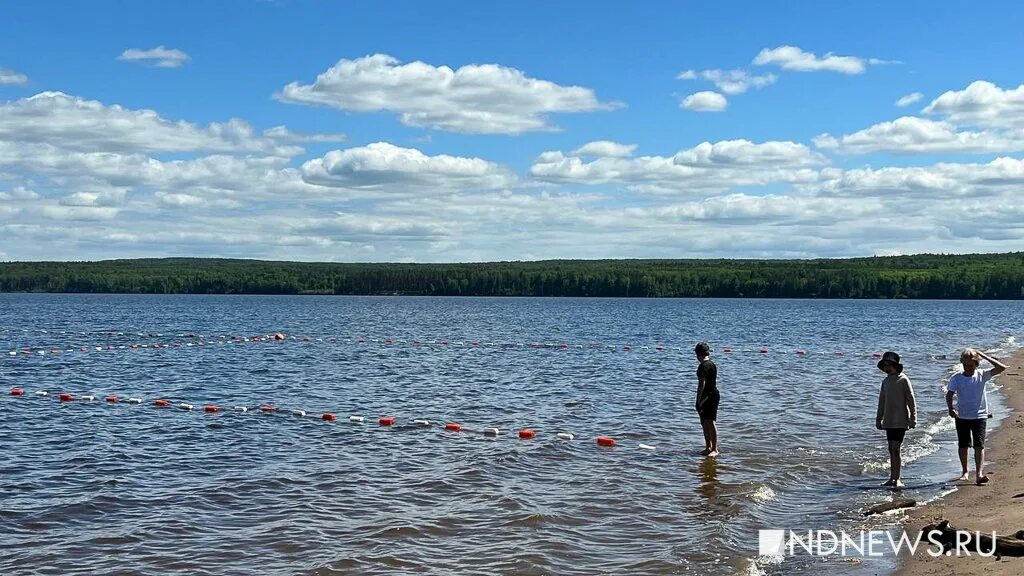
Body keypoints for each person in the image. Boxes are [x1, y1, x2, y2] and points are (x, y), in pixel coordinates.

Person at [946, 348, 1007, 485]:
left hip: (979, 416)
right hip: (962, 416)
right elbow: (949, 394)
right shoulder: (956, 378)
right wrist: (951, 409)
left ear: (976, 364)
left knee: (979, 445)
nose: (967, 368)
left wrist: (983, 356)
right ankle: (965, 472)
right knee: (963, 445)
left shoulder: (982, 374)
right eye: (965, 365)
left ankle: (979, 474)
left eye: (970, 365)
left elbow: (1001, 368)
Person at [875, 351, 917, 488]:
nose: (887, 368)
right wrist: (878, 418)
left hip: (901, 419)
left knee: (896, 448)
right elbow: (881, 401)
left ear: (896, 366)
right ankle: (891, 477)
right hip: (889, 419)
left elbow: (911, 399)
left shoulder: (903, 379)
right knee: (890, 448)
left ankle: (898, 478)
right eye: (885, 365)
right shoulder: (885, 381)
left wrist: (913, 417)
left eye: (889, 365)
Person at [694, 342, 720, 457]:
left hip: (708, 396)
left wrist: (698, 400)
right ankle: (708, 447)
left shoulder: (703, 366)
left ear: (698, 354)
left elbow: (701, 384)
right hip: (713, 394)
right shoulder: (712, 364)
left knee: (709, 422)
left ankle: (714, 449)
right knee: (705, 422)